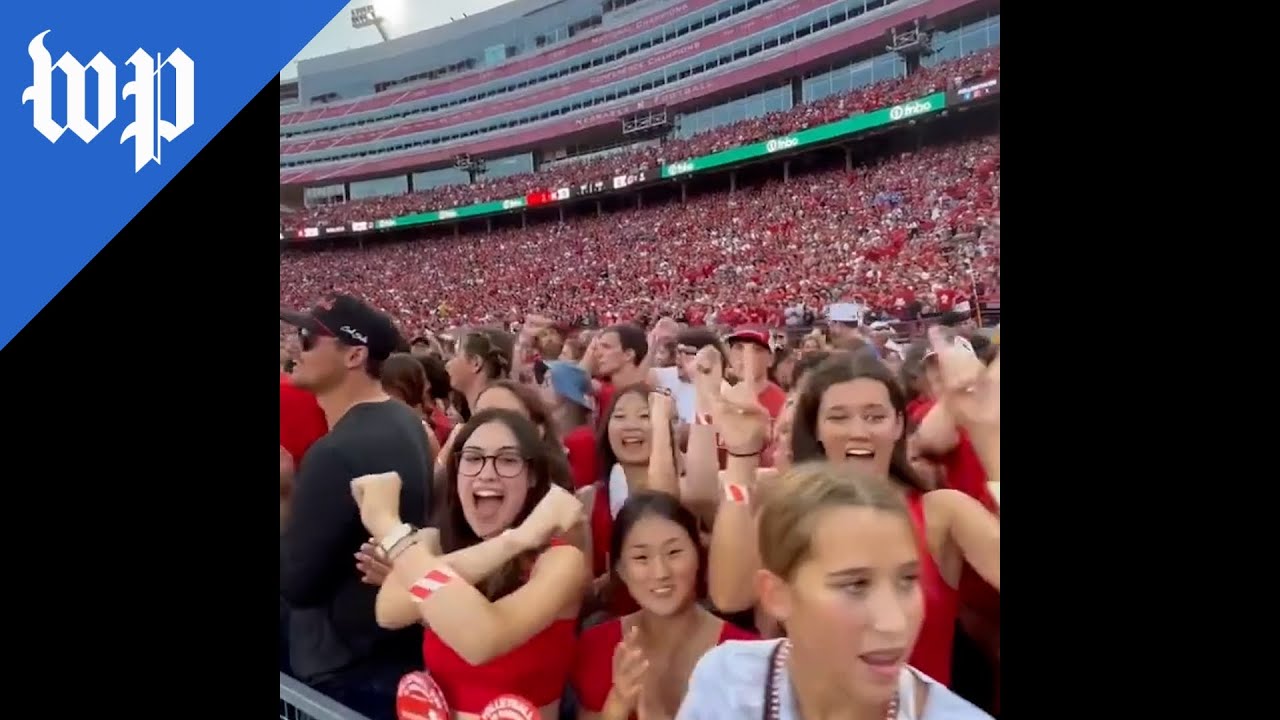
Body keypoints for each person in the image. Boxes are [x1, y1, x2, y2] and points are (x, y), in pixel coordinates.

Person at [706, 351, 999, 686]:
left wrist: (989, 434)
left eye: (874, 417)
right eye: (839, 417)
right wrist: (741, 455)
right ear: (815, 428)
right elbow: (730, 595)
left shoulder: (941, 513)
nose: (858, 431)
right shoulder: (789, 513)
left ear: (898, 425)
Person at [677, 464, 993, 719]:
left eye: (908, 580)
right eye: (856, 585)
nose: (894, 622)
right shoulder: (728, 682)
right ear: (776, 595)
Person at [356, 409, 589, 718]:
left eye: (507, 460)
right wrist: (513, 541)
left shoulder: (562, 561)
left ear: (532, 476)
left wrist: (388, 526)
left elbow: (482, 640)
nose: (487, 473)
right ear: (457, 471)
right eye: (473, 458)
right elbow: (390, 610)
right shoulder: (430, 544)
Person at [278, 295, 432, 720]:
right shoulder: (404, 420)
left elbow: (295, 582)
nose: (295, 345)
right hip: (389, 650)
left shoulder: (336, 451)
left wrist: (284, 496)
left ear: (355, 355)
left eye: (309, 338)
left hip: (341, 668)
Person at [573, 491, 756, 720]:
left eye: (674, 553)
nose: (660, 573)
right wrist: (618, 703)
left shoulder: (747, 654)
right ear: (620, 569)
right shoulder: (596, 646)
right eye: (641, 558)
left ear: (698, 554)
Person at [540, 360, 599, 489]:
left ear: (564, 392)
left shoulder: (583, 440)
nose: (541, 386)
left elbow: (573, 488)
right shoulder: (551, 431)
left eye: (547, 382)